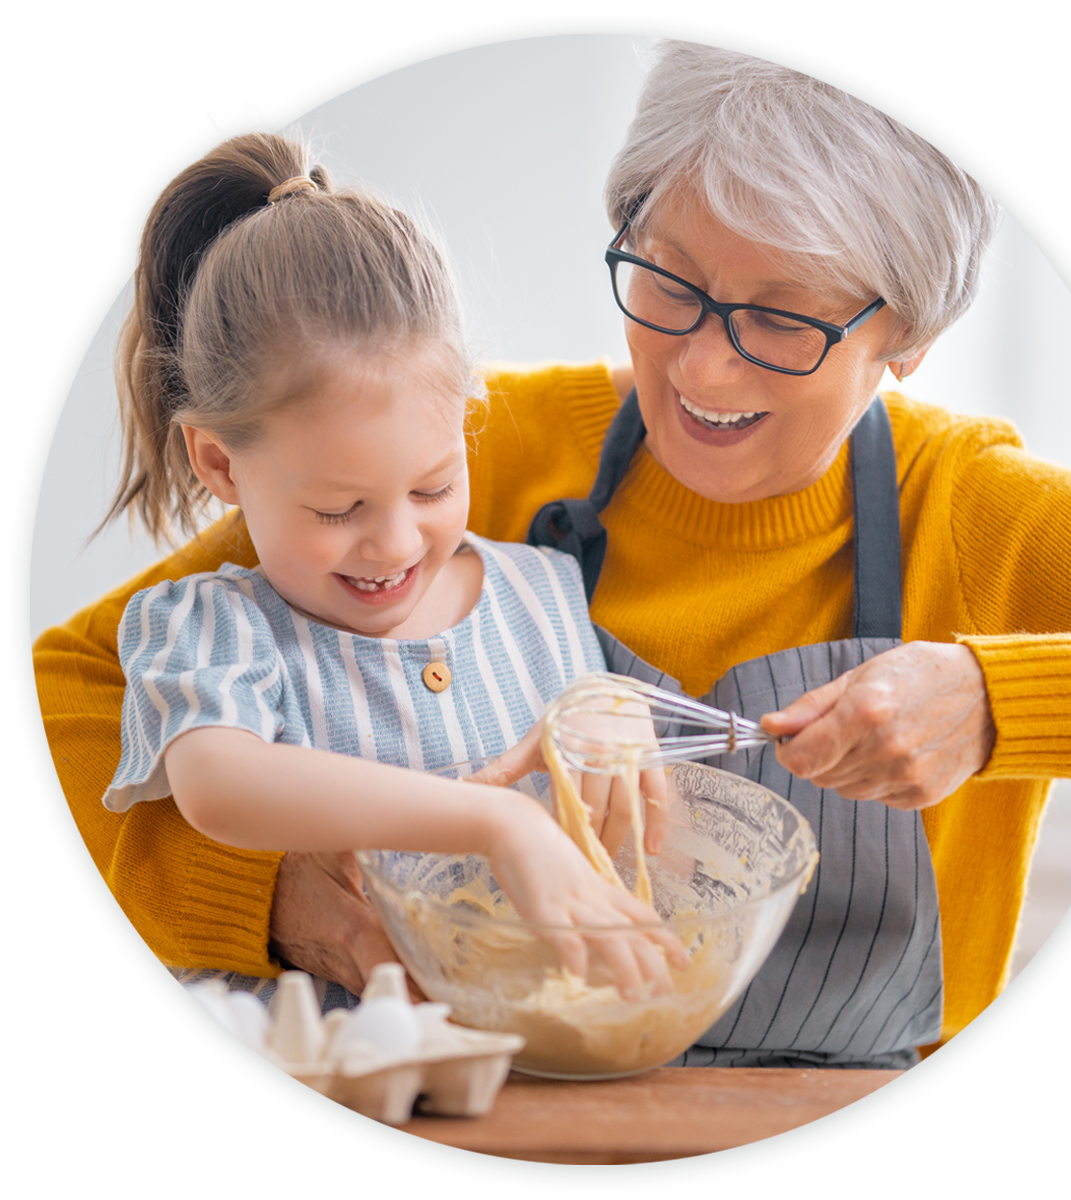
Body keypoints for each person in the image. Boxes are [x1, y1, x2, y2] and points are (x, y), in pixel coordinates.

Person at [32, 35, 1071, 1067]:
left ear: (908, 333)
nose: (704, 373)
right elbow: (53, 695)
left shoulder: (980, 516)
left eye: (781, 318)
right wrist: (263, 892)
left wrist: (999, 701)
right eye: (668, 280)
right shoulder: (462, 462)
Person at [45, 122, 686, 1009]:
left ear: (468, 419)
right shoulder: (206, 628)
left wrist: (611, 713)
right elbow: (221, 789)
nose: (392, 544)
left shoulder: (544, 593)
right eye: (337, 510)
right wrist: (493, 821)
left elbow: (637, 810)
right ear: (220, 464)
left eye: (431, 488)